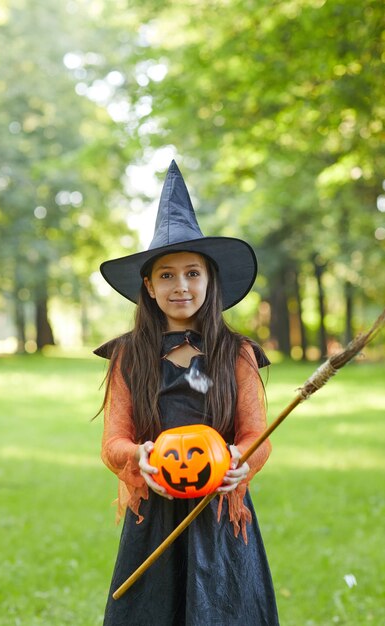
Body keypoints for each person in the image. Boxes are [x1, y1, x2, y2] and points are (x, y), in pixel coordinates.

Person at [94, 160, 279, 625]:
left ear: (210, 281)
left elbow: (258, 432)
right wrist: (136, 456)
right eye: (167, 275)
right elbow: (113, 441)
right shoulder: (130, 357)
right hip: (154, 513)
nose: (181, 286)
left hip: (219, 514)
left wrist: (243, 461)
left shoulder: (237, 354)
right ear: (149, 287)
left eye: (193, 274)